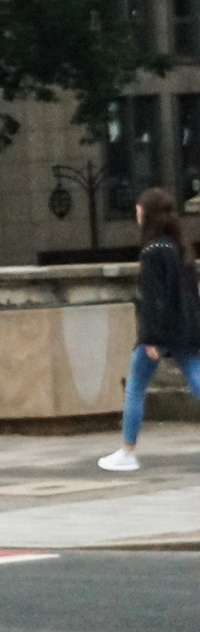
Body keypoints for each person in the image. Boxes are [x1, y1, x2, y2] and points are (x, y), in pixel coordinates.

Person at [98, 189, 200, 474]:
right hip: (187, 328)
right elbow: (189, 294)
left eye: (139, 208)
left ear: (147, 213)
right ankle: (126, 451)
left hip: (162, 330)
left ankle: (127, 451)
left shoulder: (154, 251)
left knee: (135, 388)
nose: (136, 212)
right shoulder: (180, 247)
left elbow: (154, 298)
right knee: (196, 380)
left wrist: (150, 338)